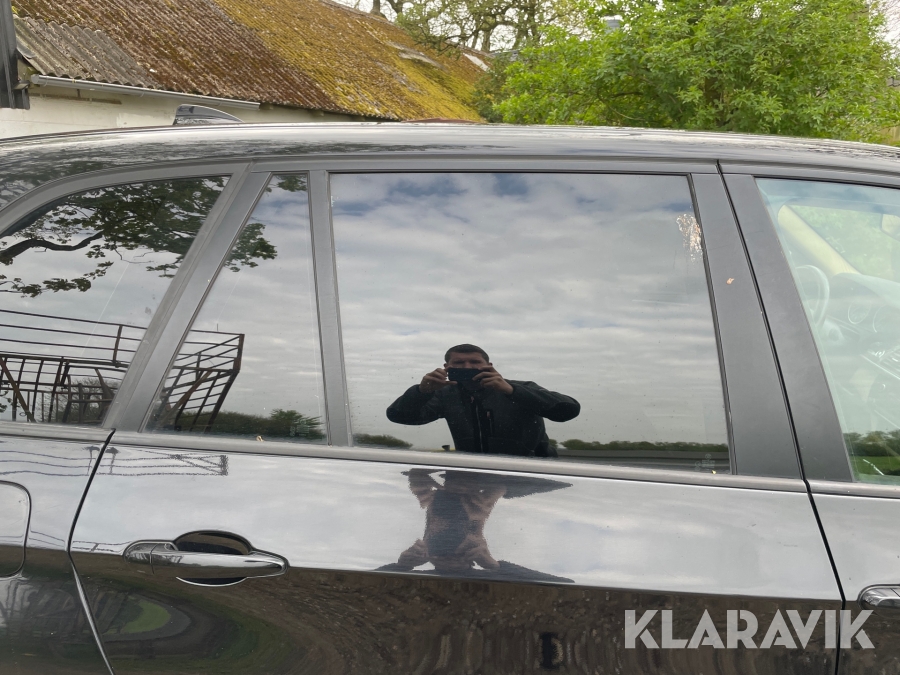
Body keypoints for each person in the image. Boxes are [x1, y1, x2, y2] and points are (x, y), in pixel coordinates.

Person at [386, 344, 580, 457]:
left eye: (475, 362)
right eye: (459, 363)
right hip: (474, 475)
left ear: (489, 365)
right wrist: (421, 392)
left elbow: (568, 410)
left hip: (531, 473)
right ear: (446, 367)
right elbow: (399, 416)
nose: (467, 367)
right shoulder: (444, 395)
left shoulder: (521, 388)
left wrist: (511, 391)